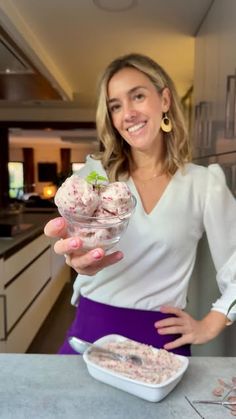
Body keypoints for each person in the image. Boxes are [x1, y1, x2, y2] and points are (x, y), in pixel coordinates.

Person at [44, 53, 236, 356]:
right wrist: (77, 258)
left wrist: (214, 320)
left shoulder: (203, 183)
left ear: (165, 100)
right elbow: (77, 244)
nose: (128, 113)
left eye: (138, 96)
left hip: (161, 340)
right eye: (116, 106)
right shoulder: (96, 175)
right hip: (91, 331)